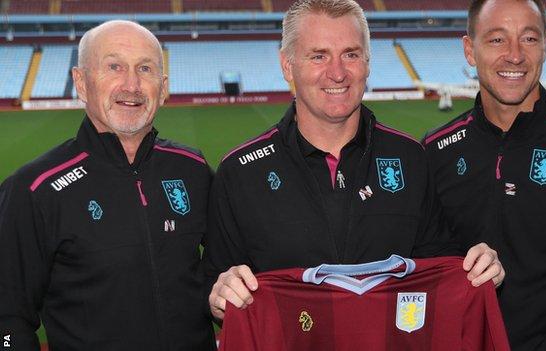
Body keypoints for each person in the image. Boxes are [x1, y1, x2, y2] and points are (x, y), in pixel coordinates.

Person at [204, 0, 504, 324]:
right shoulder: (239, 173)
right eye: (319, 56)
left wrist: (476, 268)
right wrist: (219, 294)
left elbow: (441, 269)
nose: (337, 73)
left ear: (367, 62)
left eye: (351, 54)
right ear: (287, 65)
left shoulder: (412, 159)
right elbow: (216, 282)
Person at [0, 20, 215, 351]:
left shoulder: (194, 168)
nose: (131, 85)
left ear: (165, 86)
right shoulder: (33, 189)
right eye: (114, 67)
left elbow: (222, 269)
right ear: (81, 83)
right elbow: (8, 316)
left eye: (145, 69)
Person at [423, 0, 546, 349]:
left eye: (529, 39)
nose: (515, 55)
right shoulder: (435, 151)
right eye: (497, 39)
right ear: (470, 50)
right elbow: (429, 255)